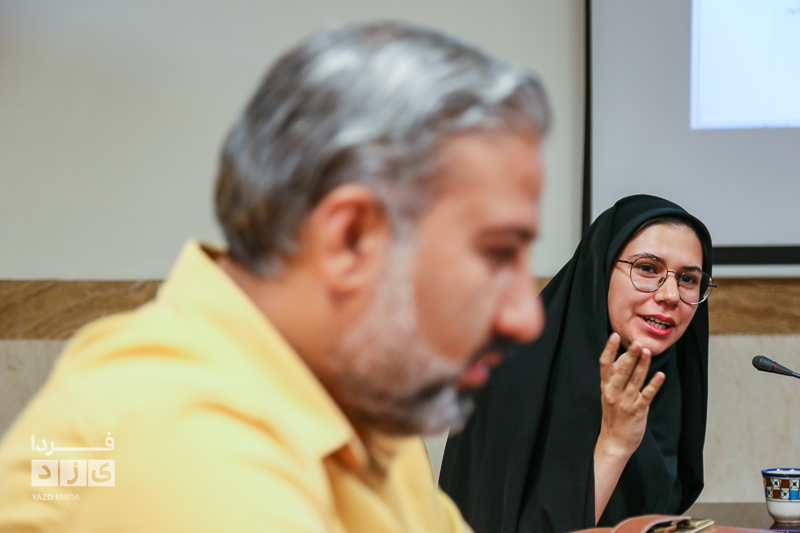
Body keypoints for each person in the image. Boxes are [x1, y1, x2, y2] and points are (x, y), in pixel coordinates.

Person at [0, 22, 552, 532]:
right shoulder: (181, 441)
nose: (527, 319)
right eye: (497, 254)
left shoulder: (359, 390)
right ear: (350, 239)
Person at [439, 194, 714, 533]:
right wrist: (615, 444)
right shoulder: (511, 373)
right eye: (647, 268)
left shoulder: (666, 376)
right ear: (601, 268)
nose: (670, 295)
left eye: (688, 279)